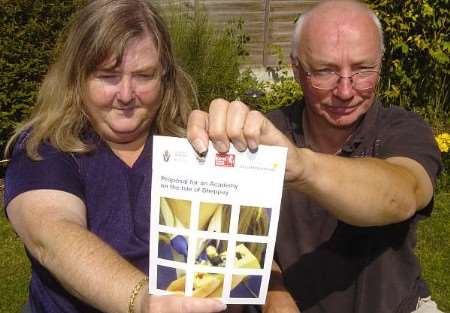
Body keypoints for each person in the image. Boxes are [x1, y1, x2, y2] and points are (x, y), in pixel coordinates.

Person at [186, 1, 443, 313]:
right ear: (297, 70)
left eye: (363, 69)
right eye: (325, 71)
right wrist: (274, 292)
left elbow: (402, 195)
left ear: (381, 63)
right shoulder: (266, 136)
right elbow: (237, 240)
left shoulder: (402, 129)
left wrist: (300, 167)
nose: (346, 91)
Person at [3, 1, 229, 312]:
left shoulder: (189, 148)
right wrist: (144, 301)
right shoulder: (45, 148)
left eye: (143, 75)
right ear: (78, 78)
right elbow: (52, 234)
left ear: (164, 77)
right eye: (108, 76)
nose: (125, 95)